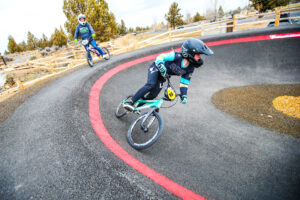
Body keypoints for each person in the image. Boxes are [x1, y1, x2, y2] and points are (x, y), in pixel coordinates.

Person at [124, 38, 214, 111]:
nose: (199, 57)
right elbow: (161, 57)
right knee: (150, 85)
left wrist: (184, 95)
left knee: (153, 94)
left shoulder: (190, 68)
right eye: (198, 54)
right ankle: (130, 102)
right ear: (190, 53)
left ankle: (137, 106)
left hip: (163, 76)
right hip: (156, 68)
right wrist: (160, 64)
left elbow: (184, 83)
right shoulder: (176, 56)